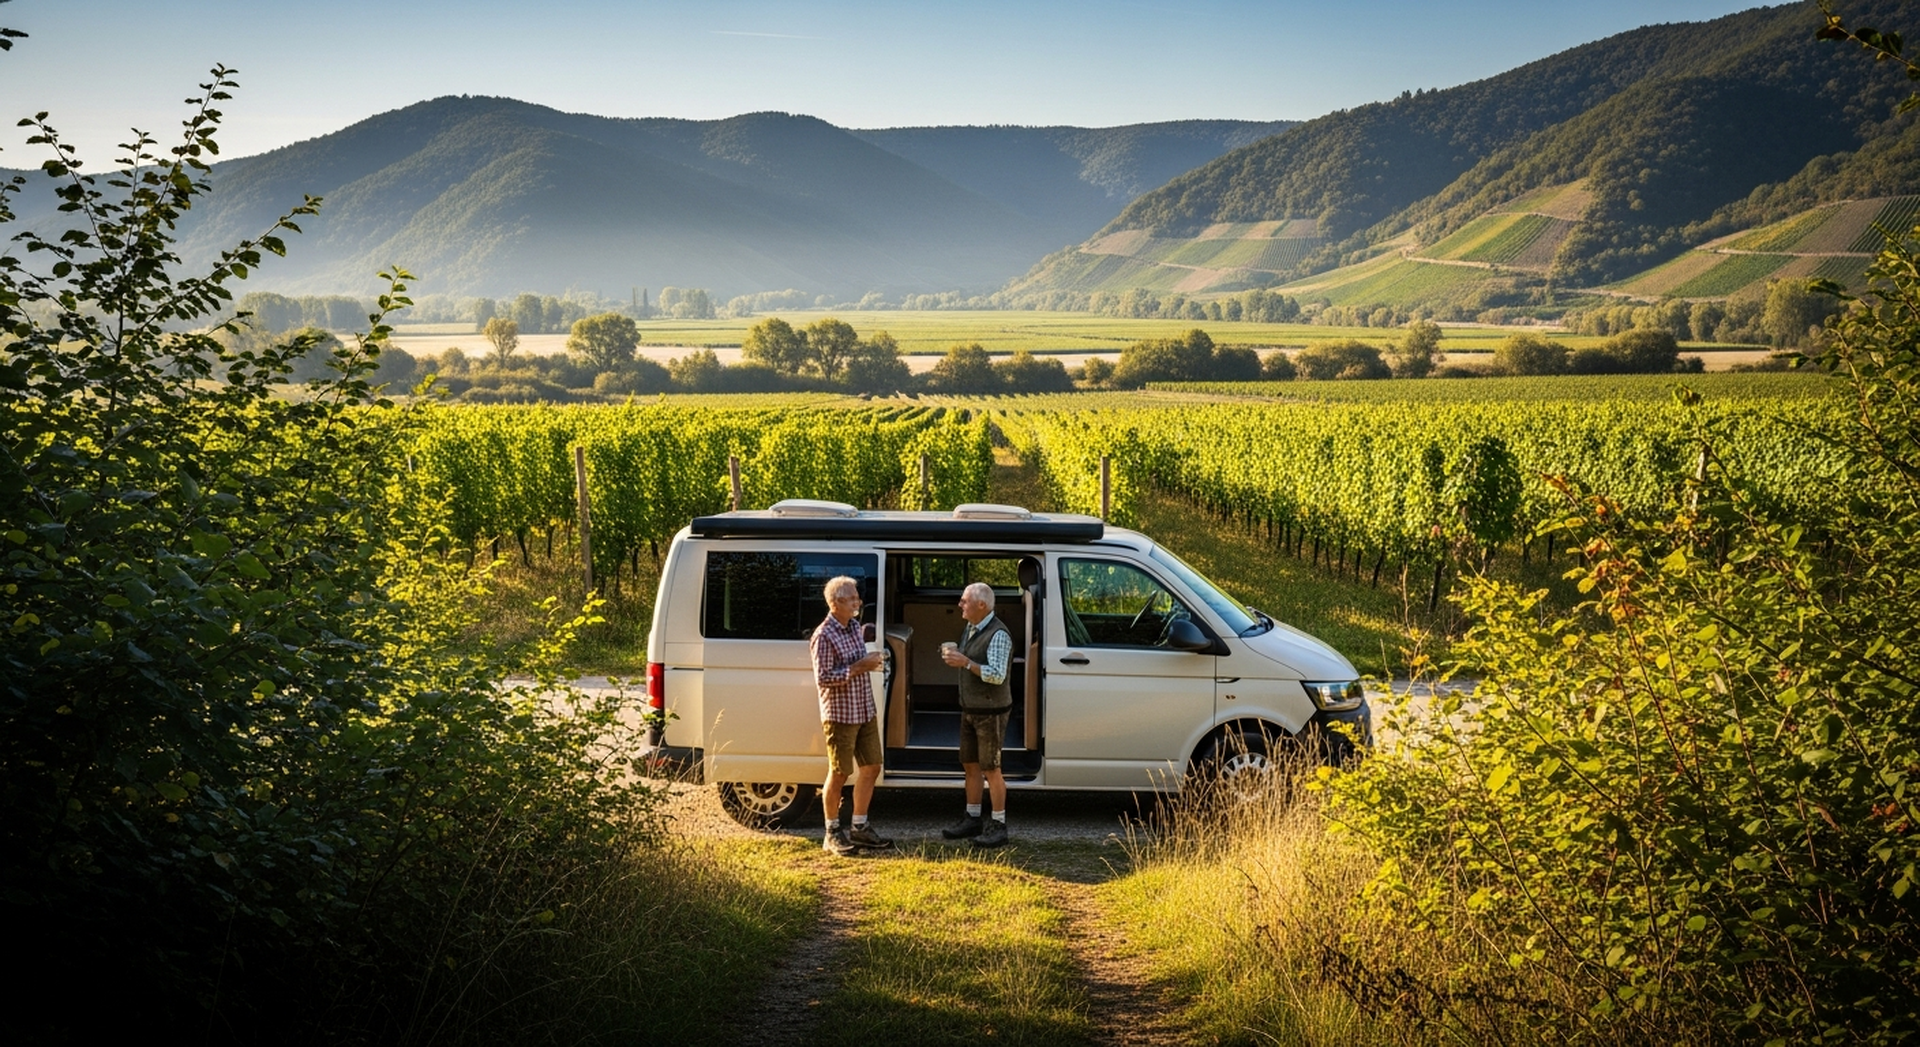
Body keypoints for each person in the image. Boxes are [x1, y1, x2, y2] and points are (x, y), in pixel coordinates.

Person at [810, 575, 892, 856]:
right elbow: (823, 678)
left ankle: (859, 827)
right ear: (835, 603)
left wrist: (870, 663)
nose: (858, 602)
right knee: (840, 772)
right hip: (840, 715)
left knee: (872, 767)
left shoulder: (854, 626)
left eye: (857, 597)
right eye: (852, 598)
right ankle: (832, 832)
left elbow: (856, 664)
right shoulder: (823, 636)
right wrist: (860, 666)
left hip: (864, 709)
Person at [940, 581, 1013, 848]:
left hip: (990, 712)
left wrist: (966, 662)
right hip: (971, 708)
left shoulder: (998, 634)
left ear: (981, 605)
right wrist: (959, 657)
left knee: (991, 769)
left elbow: (997, 675)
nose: (960, 604)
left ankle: (998, 825)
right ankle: (972, 818)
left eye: (965, 601)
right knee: (970, 765)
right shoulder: (972, 627)